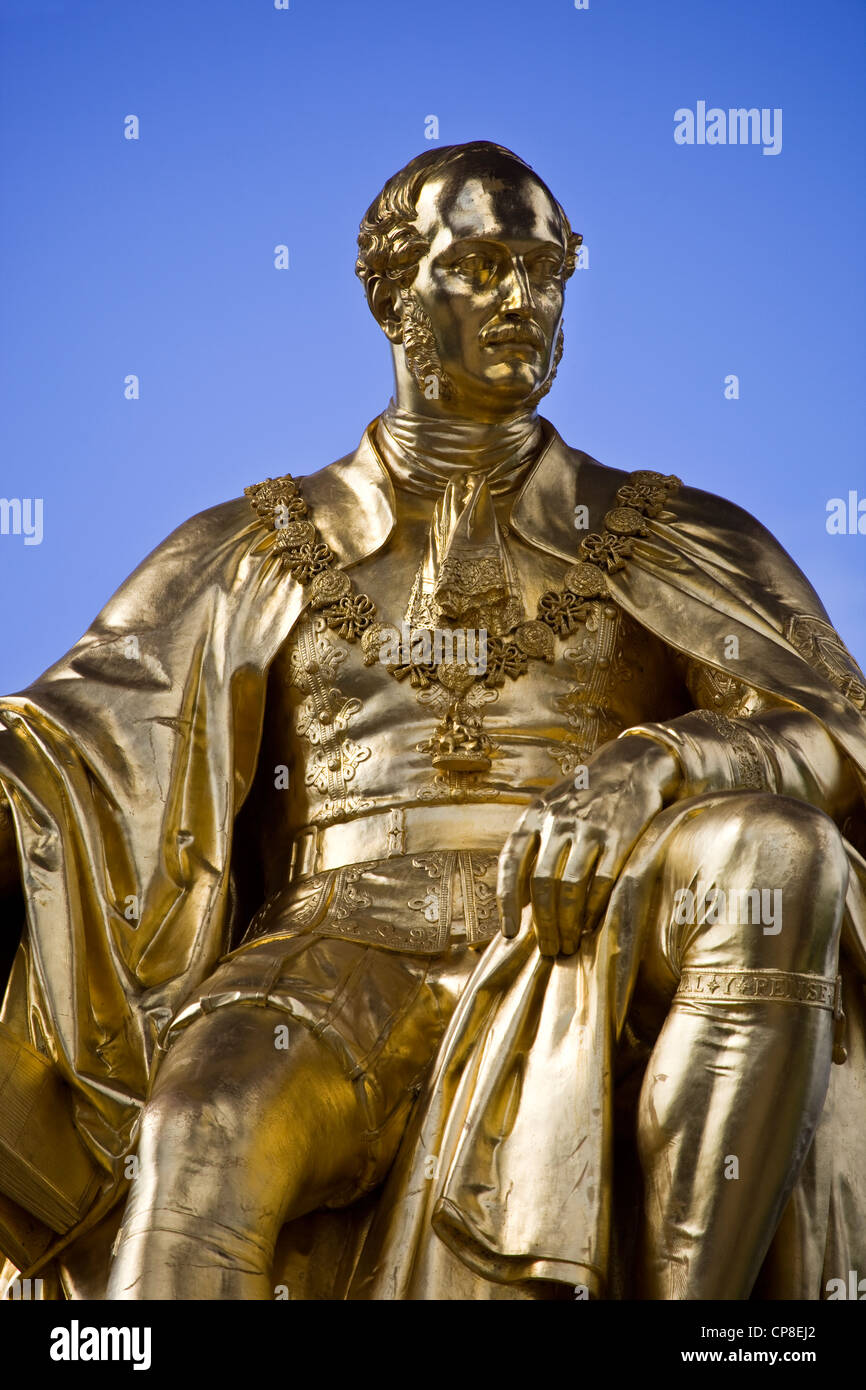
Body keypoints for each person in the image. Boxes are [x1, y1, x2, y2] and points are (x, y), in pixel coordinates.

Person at [0, 142, 864, 1301]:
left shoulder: (669, 531)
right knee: (204, 1123)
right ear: (394, 294)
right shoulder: (255, 544)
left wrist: (660, 759)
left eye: (546, 270)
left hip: (593, 925)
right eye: (483, 267)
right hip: (333, 955)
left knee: (775, 851)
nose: (524, 300)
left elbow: (839, 727)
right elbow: (72, 751)